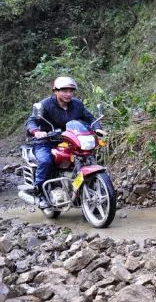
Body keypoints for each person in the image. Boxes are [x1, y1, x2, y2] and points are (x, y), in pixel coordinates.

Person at [25, 76, 106, 208]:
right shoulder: (45, 105)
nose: (68, 94)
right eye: (64, 91)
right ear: (55, 91)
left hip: (71, 140)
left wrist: (97, 129)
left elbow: (90, 118)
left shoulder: (77, 104)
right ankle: (39, 192)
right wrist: (36, 131)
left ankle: (86, 192)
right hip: (47, 141)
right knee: (46, 160)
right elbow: (31, 121)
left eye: (71, 91)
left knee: (87, 157)